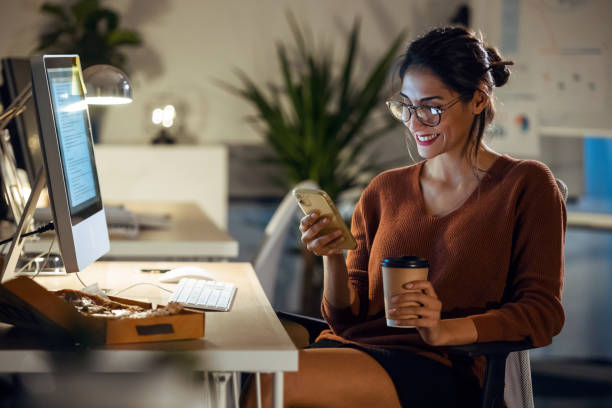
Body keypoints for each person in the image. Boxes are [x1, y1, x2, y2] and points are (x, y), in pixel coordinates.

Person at [243, 26, 566, 408]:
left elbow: (542, 312)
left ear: (478, 100)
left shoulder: (525, 184)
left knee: (271, 385)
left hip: (443, 366)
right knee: (229, 362)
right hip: (357, 348)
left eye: (431, 108)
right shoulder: (385, 190)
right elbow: (346, 320)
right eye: (407, 107)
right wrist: (332, 255)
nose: (415, 124)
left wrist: (441, 329)